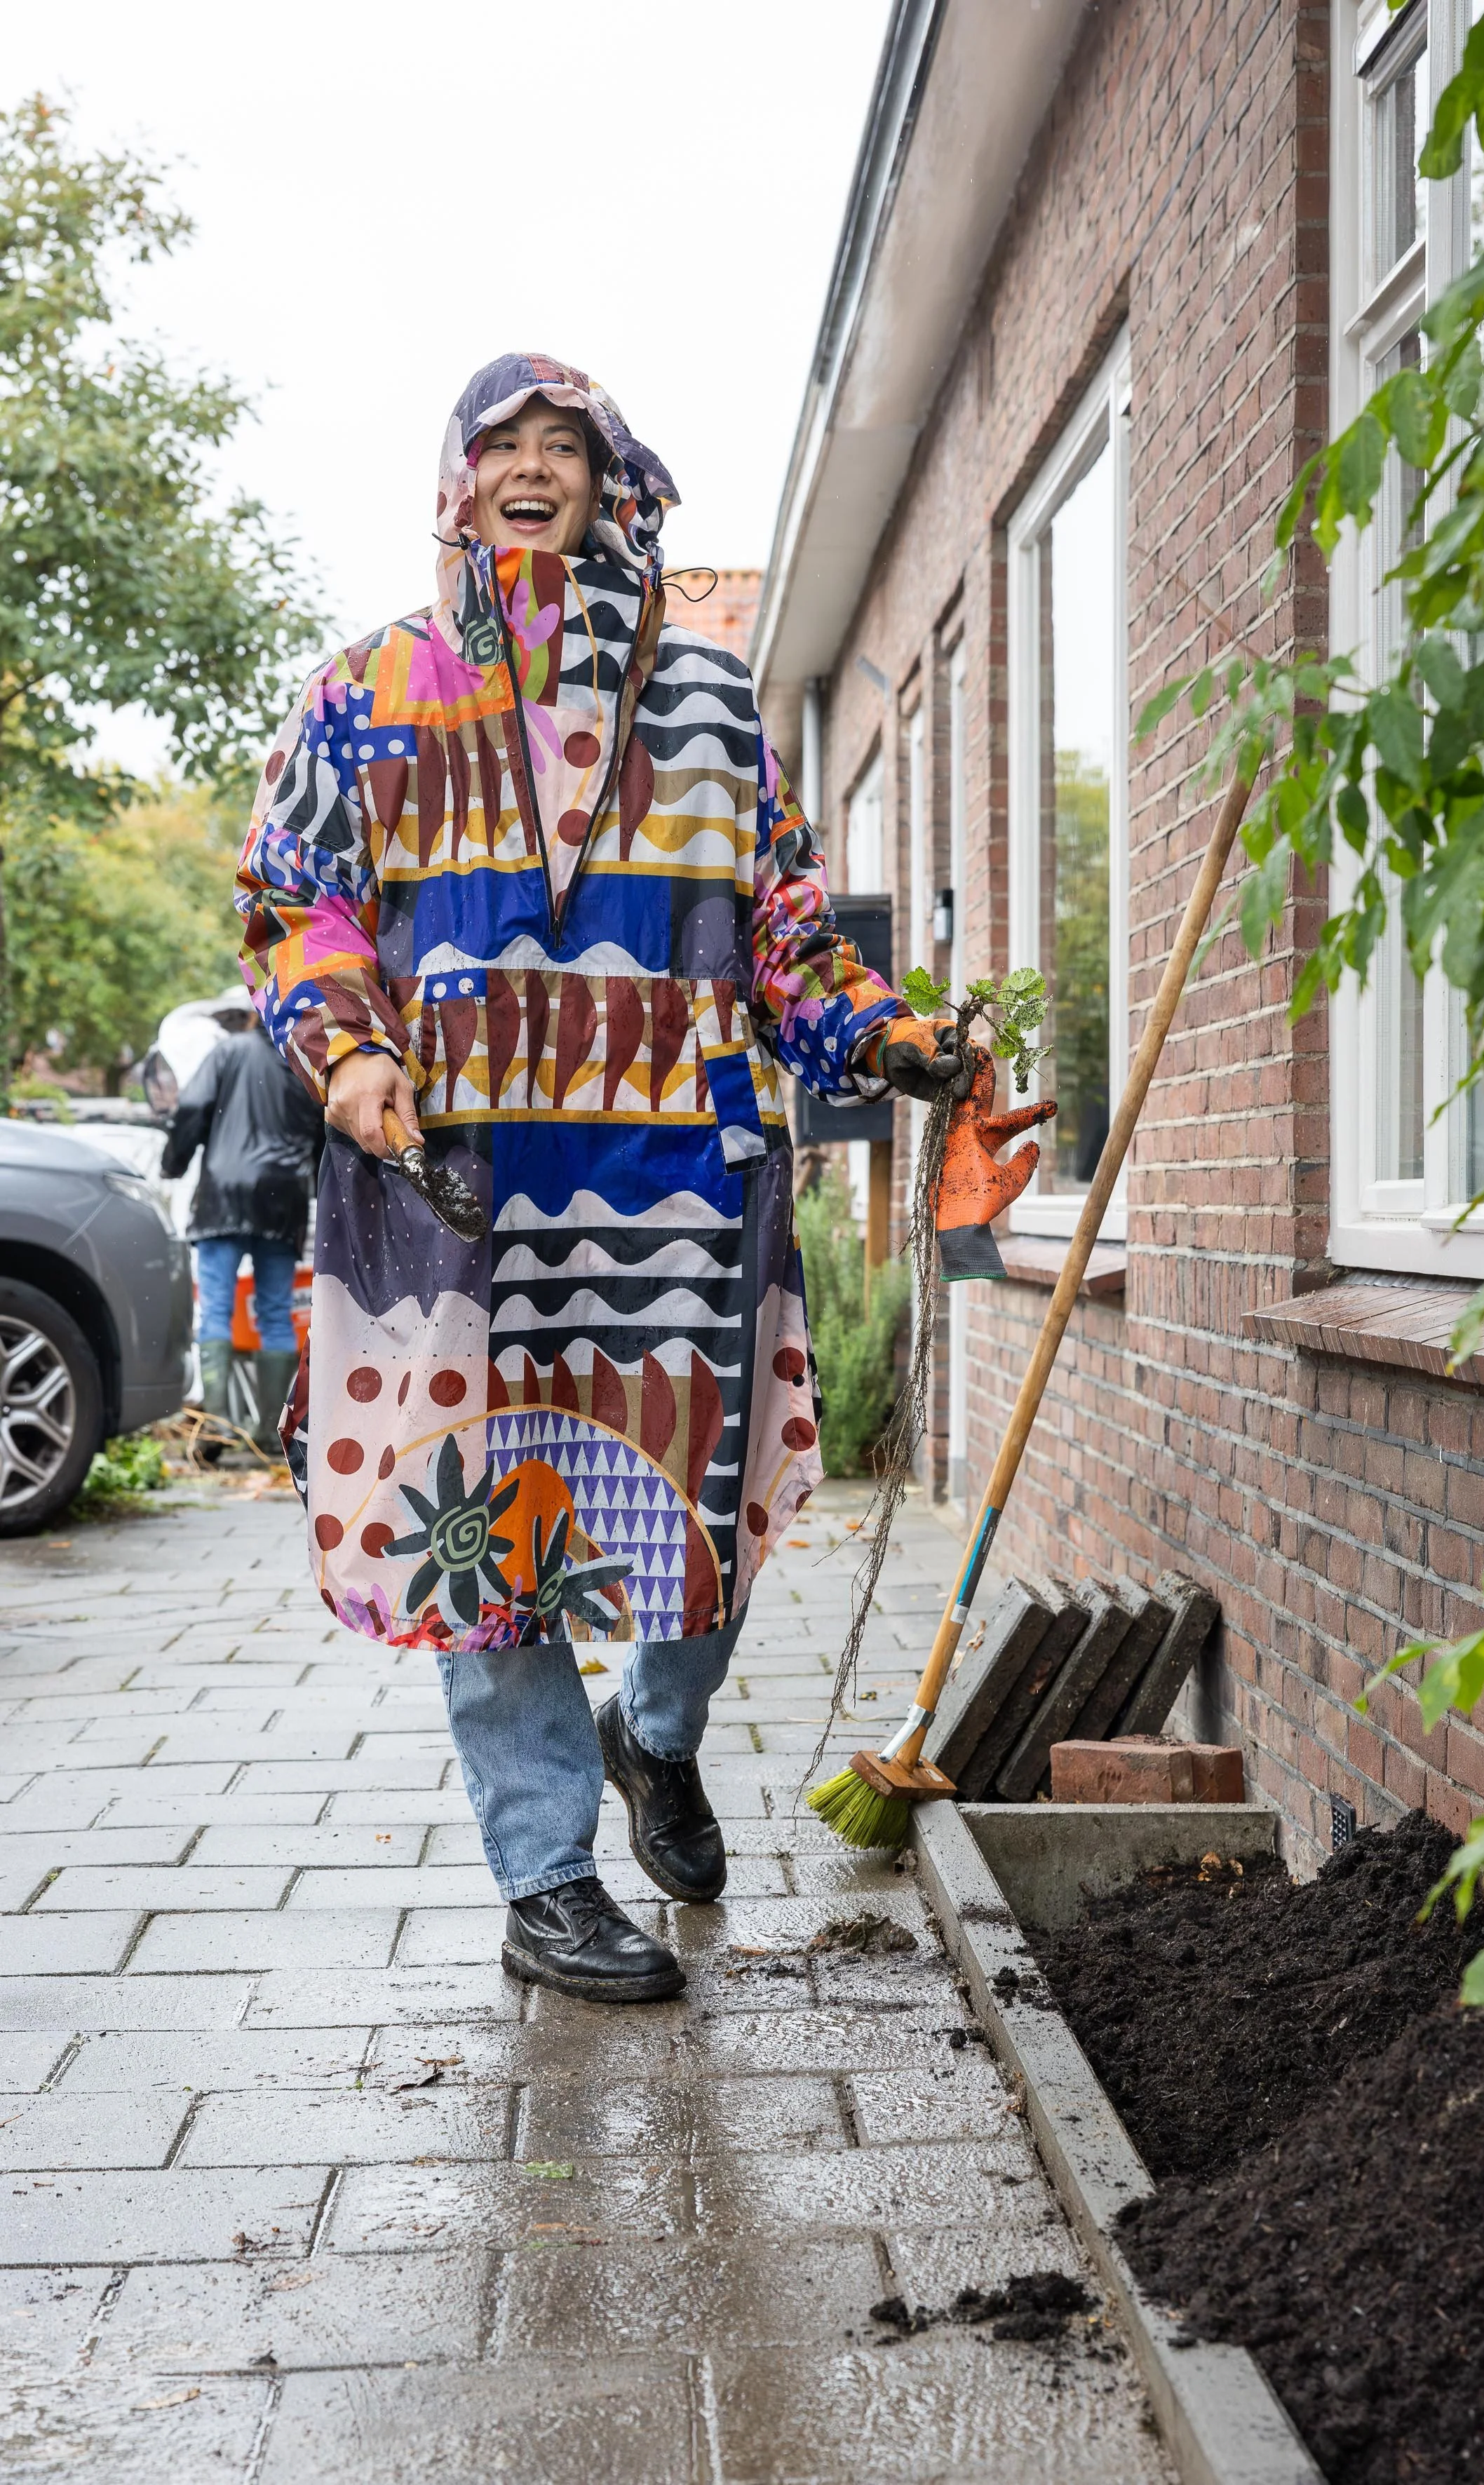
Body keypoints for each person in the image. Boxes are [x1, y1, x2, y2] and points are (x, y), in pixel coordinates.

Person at [236, 353, 966, 2003]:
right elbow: (299, 899)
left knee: (693, 1521)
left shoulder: (705, 699)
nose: (533, 468)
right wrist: (355, 1062)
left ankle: (657, 1733)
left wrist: (882, 1035)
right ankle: (547, 1877)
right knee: (486, 1534)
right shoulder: (370, 688)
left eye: (566, 446)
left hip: (676, 1187)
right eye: (504, 444)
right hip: (457, 1187)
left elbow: (780, 917)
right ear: (453, 479)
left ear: (610, 485)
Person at [161, 1010, 323, 1451]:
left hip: (224, 1194)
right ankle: (271, 1435)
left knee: (216, 1309)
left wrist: (172, 1164)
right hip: (283, 1196)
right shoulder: (305, 1064)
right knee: (274, 1312)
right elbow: (324, 1134)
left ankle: (216, 1427)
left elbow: (192, 1108)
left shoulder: (228, 1051)